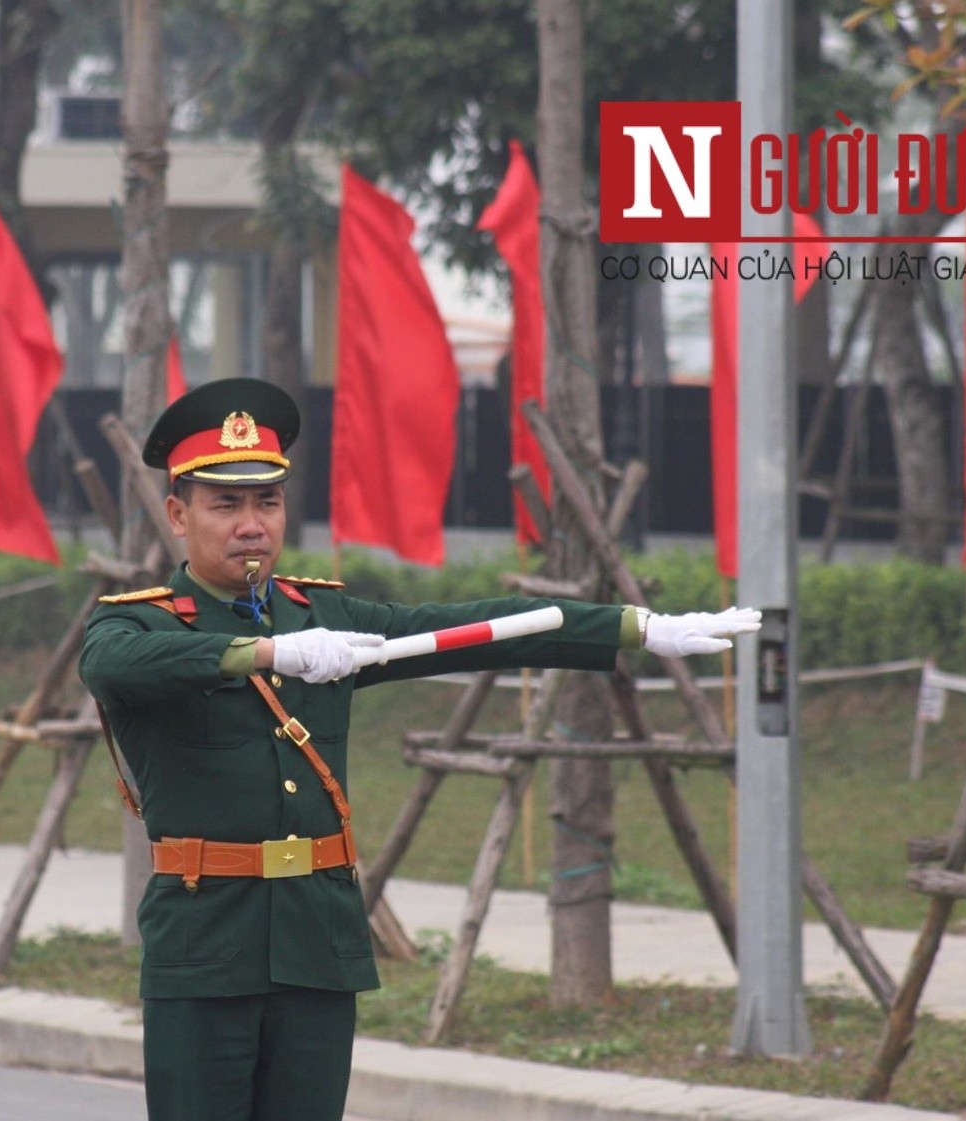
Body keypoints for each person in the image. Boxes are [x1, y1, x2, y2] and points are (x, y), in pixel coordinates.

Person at [78, 377, 758, 1121]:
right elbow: (111, 667)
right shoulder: (140, 625)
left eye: (266, 502)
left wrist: (631, 627)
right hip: (202, 946)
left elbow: (472, 627)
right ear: (178, 514)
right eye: (226, 503)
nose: (251, 524)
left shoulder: (325, 616)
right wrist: (267, 653)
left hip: (315, 942)